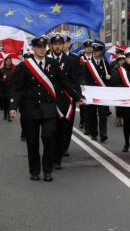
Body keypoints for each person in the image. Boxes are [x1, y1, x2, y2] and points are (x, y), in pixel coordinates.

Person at [9, 36, 83, 181]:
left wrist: (77, 97)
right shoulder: (25, 66)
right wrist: (13, 106)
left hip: (48, 107)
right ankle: (35, 171)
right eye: (39, 47)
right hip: (30, 109)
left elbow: (64, 82)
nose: (42, 50)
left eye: (44, 47)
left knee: (49, 137)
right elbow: (16, 88)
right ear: (34, 49)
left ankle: (48, 170)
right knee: (32, 141)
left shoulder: (53, 64)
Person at [47, 33, 80, 170]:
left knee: (61, 131)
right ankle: (50, 155)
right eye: (55, 44)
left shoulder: (71, 60)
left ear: (64, 45)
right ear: (51, 46)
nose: (58, 46)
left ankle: (58, 158)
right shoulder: (46, 60)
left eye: (60, 44)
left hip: (65, 100)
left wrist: (78, 96)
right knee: (49, 132)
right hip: (49, 100)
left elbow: (75, 81)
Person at [82, 40, 112, 142]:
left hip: (102, 92)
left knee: (103, 113)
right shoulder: (88, 64)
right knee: (92, 114)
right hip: (91, 92)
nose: (97, 53)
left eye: (99, 51)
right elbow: (84, 77)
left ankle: (103, 134)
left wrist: (109, 77)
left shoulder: (105, 63)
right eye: (95, 51)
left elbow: (111, 77)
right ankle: (94, 133)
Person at [78, 39, 94, 133]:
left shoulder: (95, 58)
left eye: (90, 47)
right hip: (83, 85)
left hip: (92, 86)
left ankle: (89, 126)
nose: (89, 49)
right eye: (87, 47)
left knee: (90, 107)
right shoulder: (80, 58)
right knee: (83, 106)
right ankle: (83, 121)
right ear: (84, 48)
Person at [0, 56, 16, 121]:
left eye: (10, 61)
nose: (8, 62)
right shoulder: (2, 70)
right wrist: (3, 80)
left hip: (11, 89)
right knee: (5, 103)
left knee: (10, 103)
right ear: (5, 62)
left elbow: (16, 78)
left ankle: (9, 116)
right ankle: (5, 114)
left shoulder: (13, 70)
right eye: (7, 61)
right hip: (3, 89)